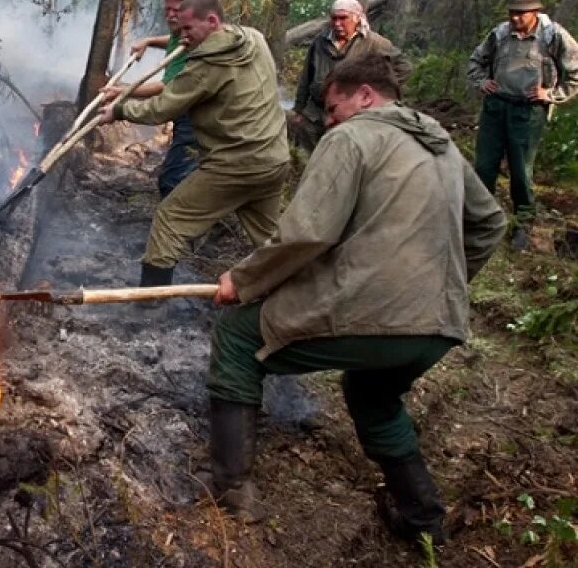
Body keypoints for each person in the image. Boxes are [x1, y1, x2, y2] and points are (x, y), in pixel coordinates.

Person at [204, 54, 506, 545]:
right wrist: (440, 284)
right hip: (440, 326)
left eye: (333, 104)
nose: (328, 118)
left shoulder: (352, 136)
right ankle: (423, 518)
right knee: (373, 394)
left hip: (376, 319)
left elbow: (308, 232)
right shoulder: (440, 143)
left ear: (364, 94)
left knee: (238, 336)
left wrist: (244, 279)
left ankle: (231, 491)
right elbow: (490, 224)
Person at [99, 0, 291, 287]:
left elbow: (162, 109)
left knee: (169, 219)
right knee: (271, 240)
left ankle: (150, 300)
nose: (182, 35)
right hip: (273, 160)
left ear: (212, 21)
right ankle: (294, 291)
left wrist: (120, 109)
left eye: (188, 29)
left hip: (235, 165)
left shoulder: (207, 65)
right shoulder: (253, 38)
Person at [467, 0, 578, 251]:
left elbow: (575, 74)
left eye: (521, 13)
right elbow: (476, 61)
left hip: (528, 111)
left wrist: (551, 94)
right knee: (484, 167)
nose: (515, 18)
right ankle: (480, 220)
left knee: (520, 171)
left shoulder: (554, 36)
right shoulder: (500, 33)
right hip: (496, 107)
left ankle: (523, 225)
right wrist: (483, 82)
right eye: (512, 12)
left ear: (536, 12)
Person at [101, 0, 198, 199]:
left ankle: (174, 226)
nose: (171, 16)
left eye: (178, 10)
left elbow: (166, 87)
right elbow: (170, 41)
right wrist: (149, 41)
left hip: (196, 121)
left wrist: (121, 91)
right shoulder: (182, 31)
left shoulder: (191, 43)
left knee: (172, 181)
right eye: (168, 10)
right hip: (190, 115)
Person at [290, 0, 412, 152]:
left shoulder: (374, 43)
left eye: (343, 18)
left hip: (349, 114)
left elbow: (404, 67)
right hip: (315, 113)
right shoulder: (320, 42)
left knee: (342, 154)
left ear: (357, 18)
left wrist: (377, 87)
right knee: (310, 154)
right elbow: (306, 77)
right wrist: (299, 109)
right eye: (334, 18)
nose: (337, 23)